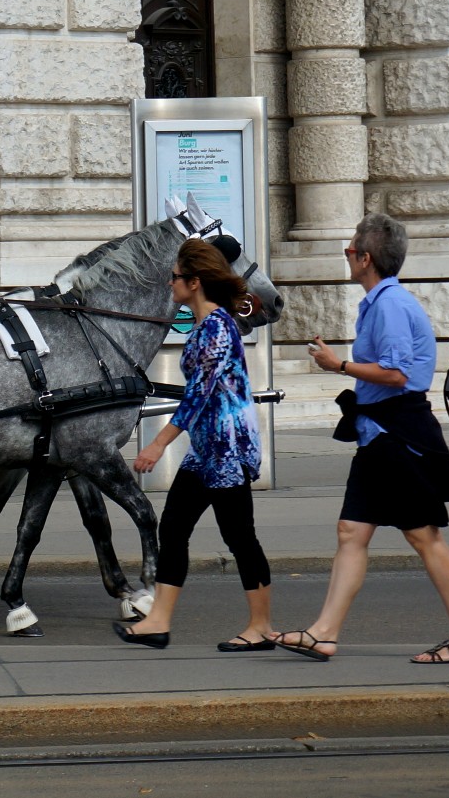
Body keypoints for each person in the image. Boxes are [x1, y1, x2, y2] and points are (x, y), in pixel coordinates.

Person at [271, 212, 449, 664]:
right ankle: (323, 633)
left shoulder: (389, 304)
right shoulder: (379, 301)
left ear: (366, 258)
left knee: (423, 536)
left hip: (398, 434)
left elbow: (397, 373)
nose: (346, 254)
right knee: (351, 531)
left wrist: (340, 367)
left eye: (350, 248)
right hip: (378, 434)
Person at [117, 237, 273, 651]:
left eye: (175, 278)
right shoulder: (206, 326)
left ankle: (261, 628)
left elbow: (197, 397)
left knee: (239, 537)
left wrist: (156, 446)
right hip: (207, 452)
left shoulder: (217, 328)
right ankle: (158, 622)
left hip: (228, 452)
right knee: (174, 529)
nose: (170, 285)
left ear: (194, 283)